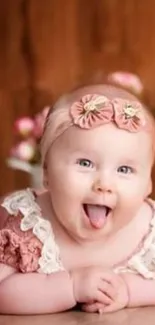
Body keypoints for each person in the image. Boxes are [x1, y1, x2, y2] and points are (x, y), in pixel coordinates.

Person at [0, 83, 155, 315]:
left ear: (147, 186)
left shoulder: (149, 228)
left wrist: (130, 290)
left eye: (124, 169)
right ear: (46, 173)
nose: (104, 184)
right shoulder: (27, 224)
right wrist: (70, 286)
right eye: (85, 163)